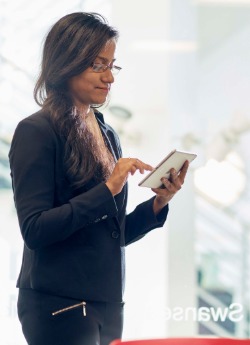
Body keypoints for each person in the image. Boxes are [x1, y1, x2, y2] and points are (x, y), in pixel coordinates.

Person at [8, 12, 189, 345]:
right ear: (66, 63)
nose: (110, 77)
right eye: (98, 65)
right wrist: (109, 188)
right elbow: (35, 229)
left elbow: (111, 234)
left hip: (107, 304)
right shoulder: (36, 131)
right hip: (58, 304)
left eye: (112, 65)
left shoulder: (106, 132)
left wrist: (159, 202)